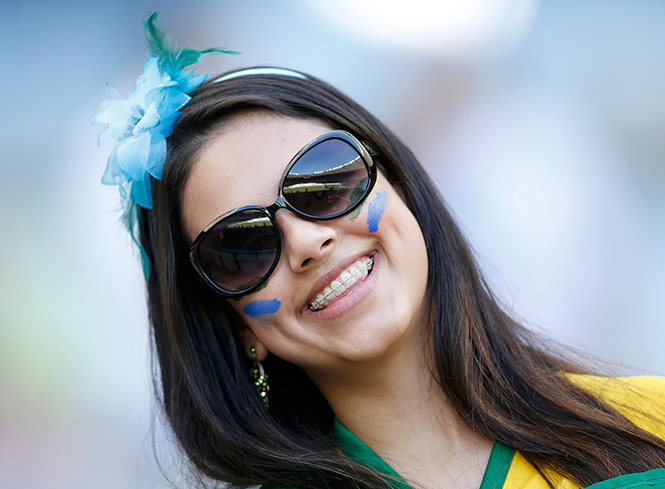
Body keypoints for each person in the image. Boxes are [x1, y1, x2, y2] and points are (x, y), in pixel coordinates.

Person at [93, 14, 665, 489]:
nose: (307, 242)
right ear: (236, 324)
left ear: (400, 186)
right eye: (241, 245)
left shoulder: (650, 425)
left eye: (323, 182)